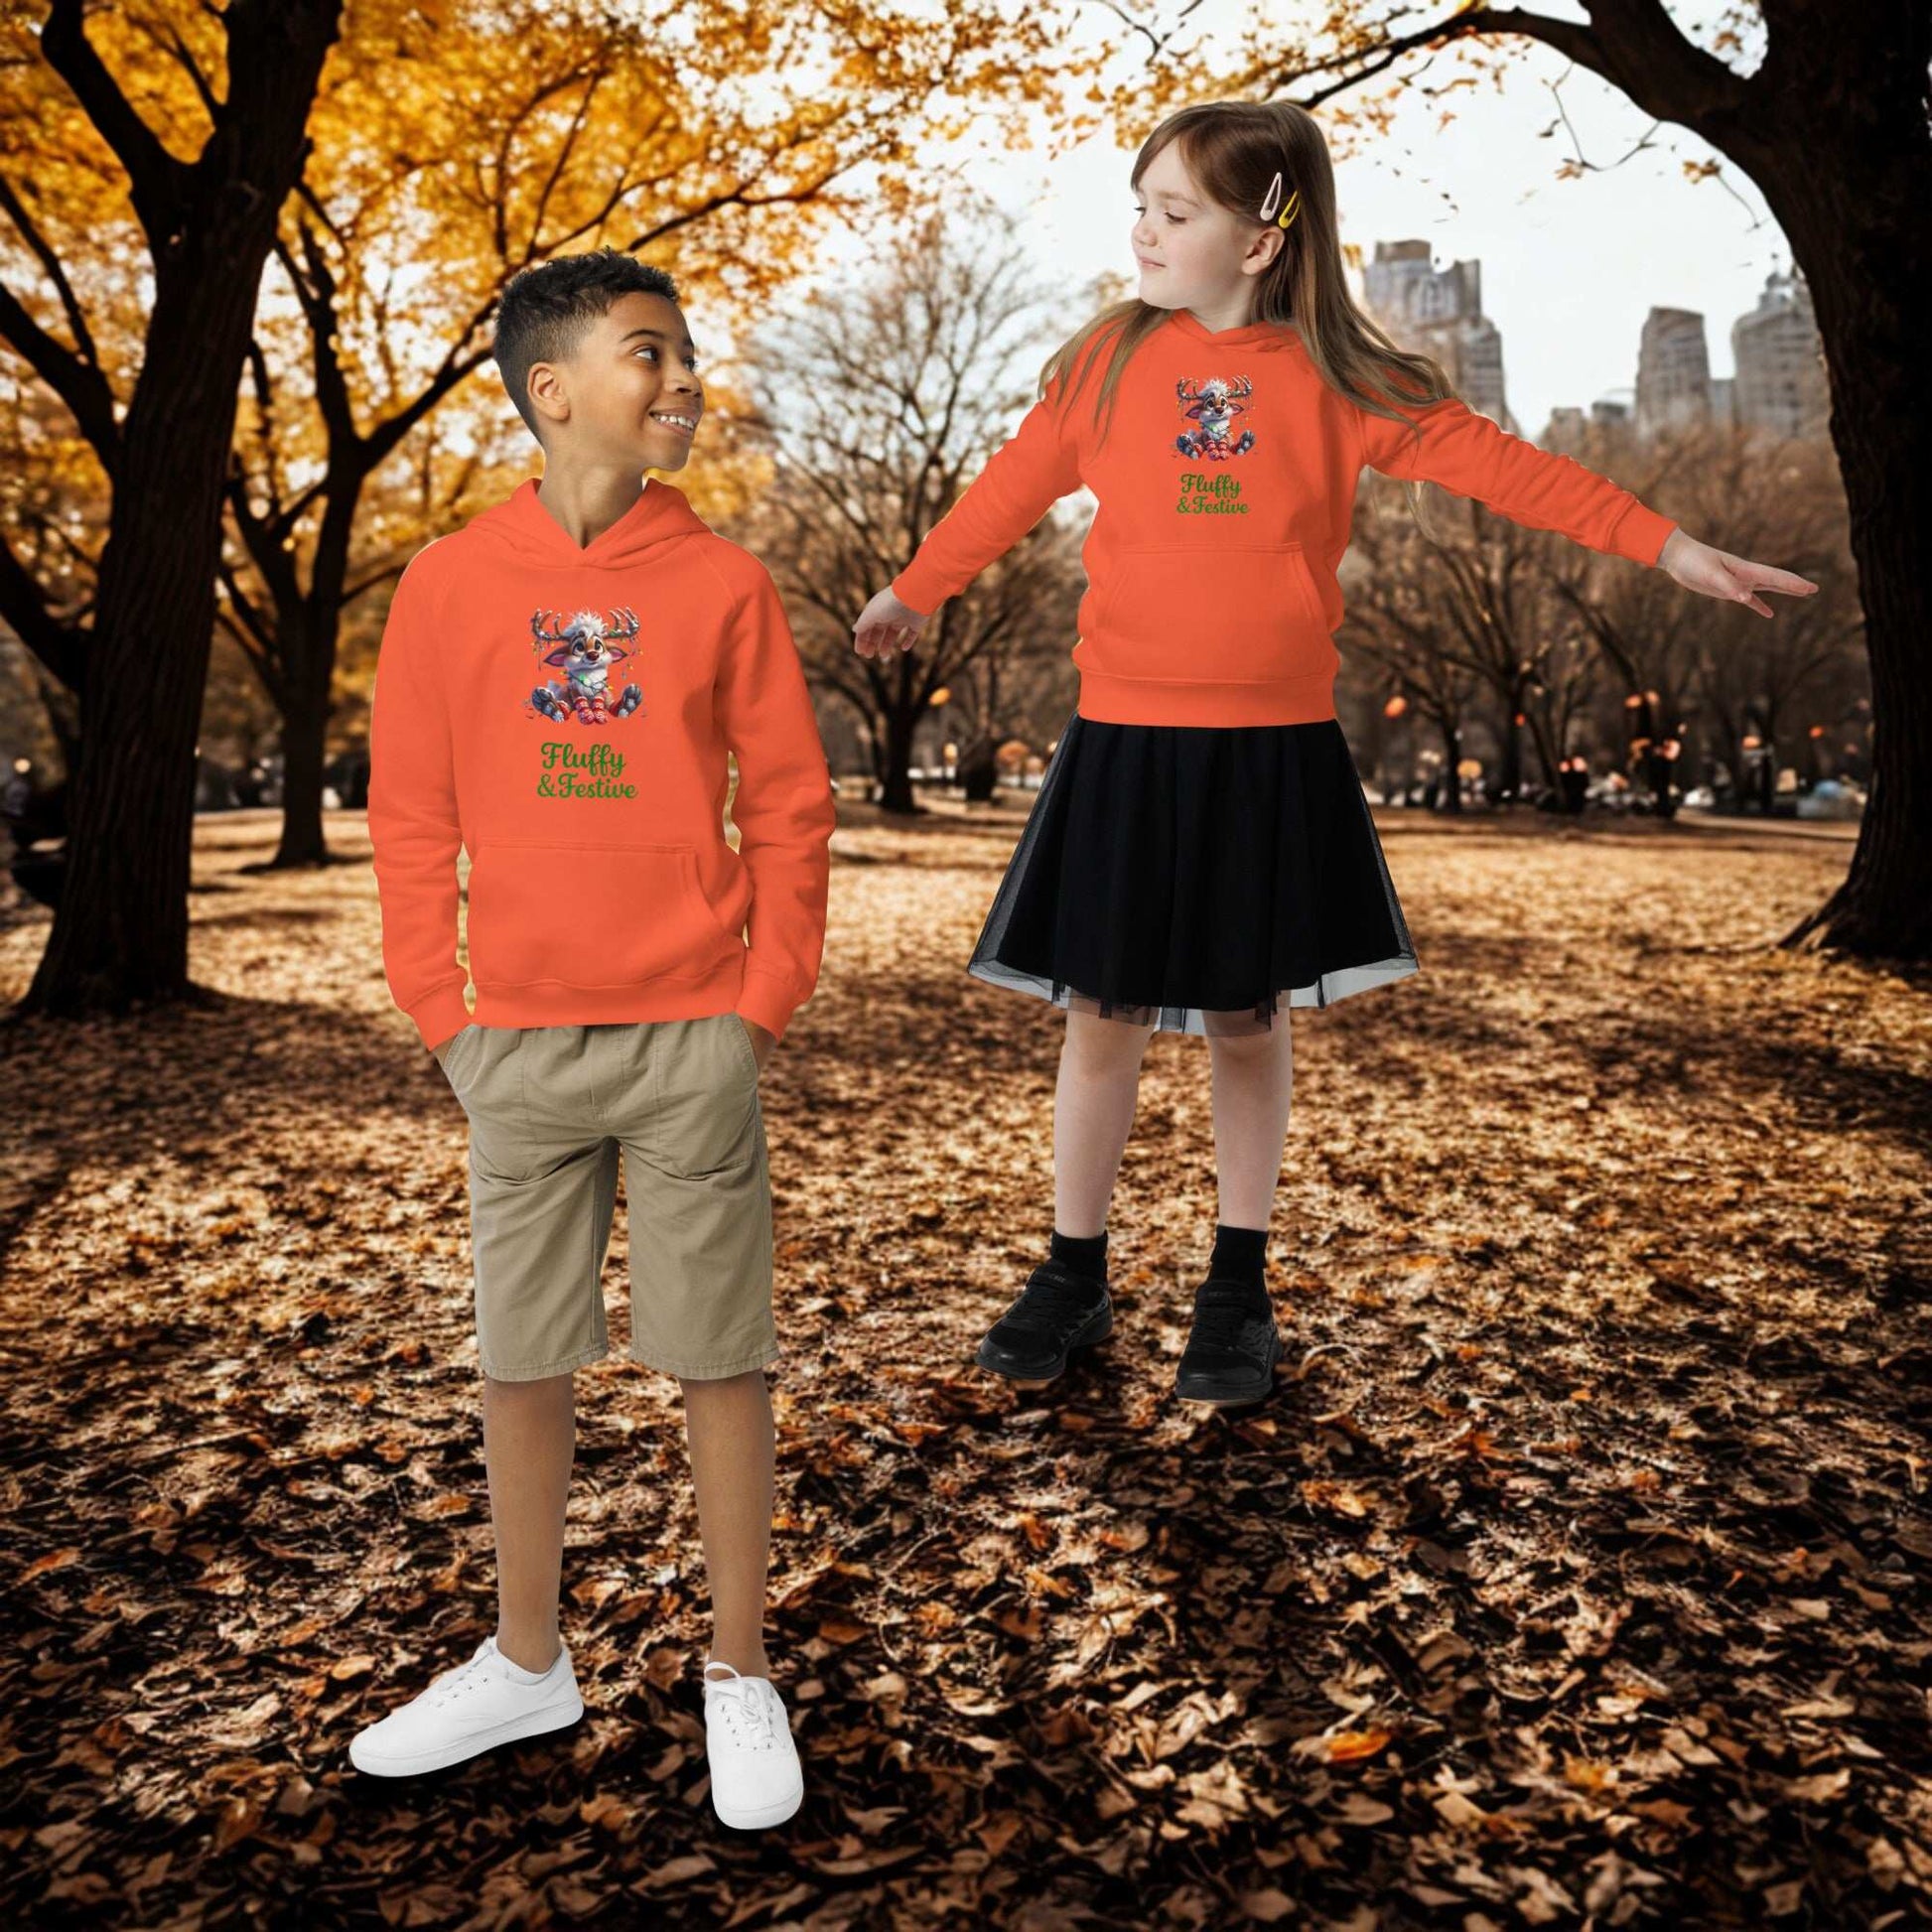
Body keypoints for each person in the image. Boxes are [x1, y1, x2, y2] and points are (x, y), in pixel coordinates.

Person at [853, 99, 1816, 1407]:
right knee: (1099, 1019)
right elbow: (1009, 485)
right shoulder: (1102, 368)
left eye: (1173, 212)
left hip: (1269, 749)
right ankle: (1070, 1271)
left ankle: (1233, 1287)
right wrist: (915, 589)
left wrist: (1671, 547)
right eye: (1137, 204)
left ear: (1260, 241)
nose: (1141, 230)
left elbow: (1511, 470)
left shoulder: (1343, 380)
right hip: (1125, 738)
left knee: (1245, 1021)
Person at [355, 248, 835, 1831]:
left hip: (690, 1032)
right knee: (521, 1357)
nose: (684, 376)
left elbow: (788, 804)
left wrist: (755, 1006)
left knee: (720, 1356)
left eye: (689, 351)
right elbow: (411, 814)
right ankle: (525, 1657)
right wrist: (446, 1016)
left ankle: (741, 1669)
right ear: (551, 389)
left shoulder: (723, 584)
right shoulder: (446, 585)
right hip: (518, 1050)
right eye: (650, 351)